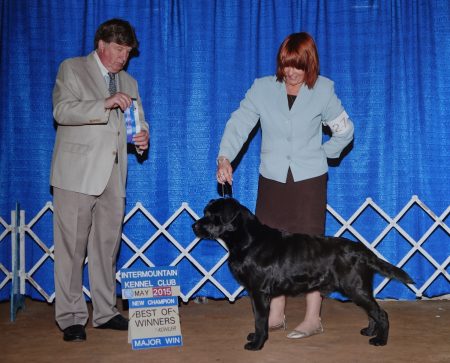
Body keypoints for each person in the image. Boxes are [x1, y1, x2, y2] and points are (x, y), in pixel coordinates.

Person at [216, 32, 354, 339]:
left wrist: (322, 153)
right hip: (273, 179)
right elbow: (240, 123)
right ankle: (275, 315)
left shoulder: (325, 90)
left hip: (309, 181)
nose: (290, 72)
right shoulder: (262, 88)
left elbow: (345, 132)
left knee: (311, 248)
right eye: (285, 65)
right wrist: (225, 156)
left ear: (310, 65)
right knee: (270, 249)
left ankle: (312, 317)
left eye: (297, 66)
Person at [50, 18, 149, 342]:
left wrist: (142, 139)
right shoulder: (72, 69)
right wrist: (103, 103)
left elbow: (136, 123)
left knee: (108, 248)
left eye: (128, 51)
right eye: (119, 49)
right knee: (71, 251)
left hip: (114, 176)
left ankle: (105, 312)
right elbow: (62, 111)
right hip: (76, 175)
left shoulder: (129, 83)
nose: (123, 56)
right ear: (102, 45)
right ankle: (71, 317)